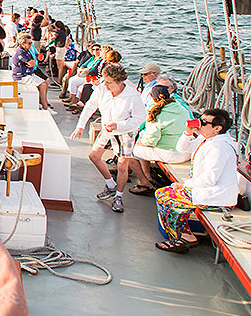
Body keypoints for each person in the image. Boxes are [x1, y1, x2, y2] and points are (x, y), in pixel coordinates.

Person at [154, 108, 240, 252]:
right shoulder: (206, 139)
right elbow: (182, 148)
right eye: (200, 119)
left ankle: (182, 238)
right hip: (204, 190)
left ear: (217, 128)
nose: (199, 124)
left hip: (217, 197)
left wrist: (184, 185)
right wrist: (188, 133)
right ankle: (183, 235)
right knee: (163, 194)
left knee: (168, 200)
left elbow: (209, 179)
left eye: (204, 122)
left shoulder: (219, 147)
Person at [70, 63, 145, 213]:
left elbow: (140, 118)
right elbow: (90, 106)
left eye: (109, 82)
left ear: (119, 81)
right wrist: (80, 125)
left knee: (123, 166)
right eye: (105, 81)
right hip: (107, 129)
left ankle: (118, 196)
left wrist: (119, 125)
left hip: (126, 132)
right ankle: (111, 185)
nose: (106, 85)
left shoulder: (132, 96)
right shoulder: (102, 89)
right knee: (94, 156)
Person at [126, 85, 192, 195]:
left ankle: (144, 183)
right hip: (186, 152)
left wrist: (141, 142)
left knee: (130, 152)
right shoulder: (182, 109)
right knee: (143, 148)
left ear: (153, 98)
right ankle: (148, 176)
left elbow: (151, 140)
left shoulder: (156, 113)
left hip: (171, 154)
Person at [10, 31, 50, 110]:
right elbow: (31, 63)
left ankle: (41, 103)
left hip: (28, 74)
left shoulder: (25, 50)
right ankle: (45, 107)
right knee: (43, 84)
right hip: (22, 76)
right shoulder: (21, 52)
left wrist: (33, 62)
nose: (31, 45)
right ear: (23, 44)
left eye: (31, 43)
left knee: (45, 82)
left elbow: (33, 62)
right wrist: (32, 62)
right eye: (29, 43)